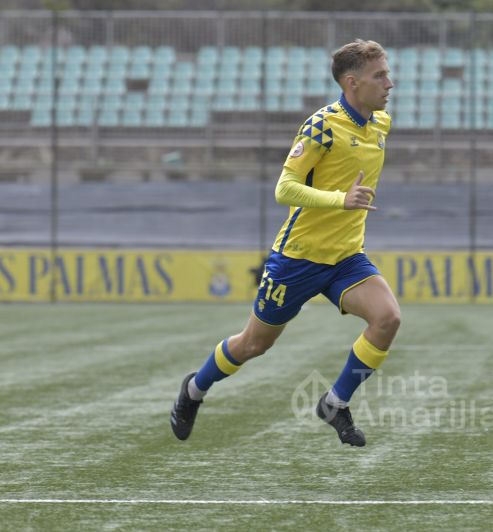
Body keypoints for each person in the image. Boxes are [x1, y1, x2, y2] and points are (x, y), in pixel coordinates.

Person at [170, 39, 398, 447]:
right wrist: (339, 200)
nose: (389, 83)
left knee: (387, 319)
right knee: (253, 344)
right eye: (379, 75)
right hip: (297, 259)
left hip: (346, 258)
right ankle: (194, 390)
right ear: (352, 83)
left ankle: (335, 403)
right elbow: (284, 189)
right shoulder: (321, 126)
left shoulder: (381, 124)